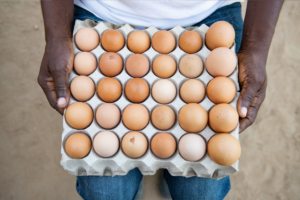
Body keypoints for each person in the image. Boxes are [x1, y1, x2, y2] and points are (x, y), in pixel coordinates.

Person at [38, 0, 283, 199]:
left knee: (200, 193)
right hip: (103, 14)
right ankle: (145, 170)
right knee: (105, 193)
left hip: (208, 18)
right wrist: (57, 35)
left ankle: (167, 174)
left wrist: (255, 49)